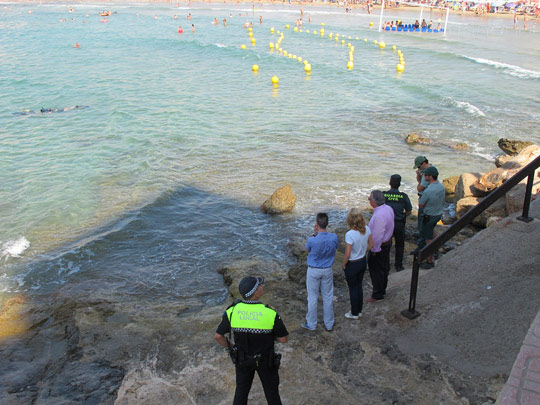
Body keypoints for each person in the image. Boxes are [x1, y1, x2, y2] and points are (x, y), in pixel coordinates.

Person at [215, 276, 288, 405]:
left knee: (241, 392)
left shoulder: (232, 311)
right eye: (260, 285)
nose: (262, 287)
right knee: (272, 394)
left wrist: (230, 347)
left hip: (242, 360)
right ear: (256, 292)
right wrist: (271, 336)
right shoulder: (270, 313)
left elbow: (218, 336)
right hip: (266, 361)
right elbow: (283, 339)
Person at [302, 213, 338, 331]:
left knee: (312, 297)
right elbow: (335, 248)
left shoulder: (312, 240)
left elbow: (307, 251)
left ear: (316, 224)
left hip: (313, 270)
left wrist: (314, 234)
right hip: (327, 269)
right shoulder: (334, 237)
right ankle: (329, 324)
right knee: (328, 296)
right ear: (327, 223)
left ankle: (311, 324)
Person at [342, 208, 373, 319]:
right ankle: (359, 310)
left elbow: (347, 253)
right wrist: (364, 251)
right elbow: (371, 245)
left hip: (353, 264)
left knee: (353, 289)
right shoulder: (367, 229)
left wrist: (344, 264)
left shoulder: (349, 234)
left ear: (350, 220)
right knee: (359, 286)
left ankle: (354, 313)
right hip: (362, 261)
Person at [366, 190, 394, 303]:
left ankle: (377, 294)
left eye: (369, 198)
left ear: (374, 201)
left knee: (376, 271)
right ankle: (382, 290)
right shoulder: (388, 208)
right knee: (384, 268)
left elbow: (377, 236)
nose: (368, 199)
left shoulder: (378, 216)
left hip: (380, 247)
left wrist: (374, 250)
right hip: (387, 242)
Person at [418, 166, 445, 269]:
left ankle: (429, 261)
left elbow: (421, 205)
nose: (424, 176)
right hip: (438, 214)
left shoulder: (428, 191)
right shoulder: (441, 186)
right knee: (432, 231)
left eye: (426, 175)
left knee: (427, 238)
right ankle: (437, 246)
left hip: (429, 216)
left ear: (430, 176)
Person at [384, 175, 412, 272]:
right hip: (399, 223)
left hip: (387, 224)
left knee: (386, 245)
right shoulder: (403, 196)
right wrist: (403, 216)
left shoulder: (384, 195)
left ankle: (386, 266)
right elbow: (409, 211)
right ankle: (398, 265)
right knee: (400, 245)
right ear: (399, 184)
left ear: (390, 183)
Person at [413, 155, 432, 248]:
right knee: (422, 219)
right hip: (426, 197)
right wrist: (418, 175)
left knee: (422, 219)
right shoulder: (429, 169)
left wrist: (419, 183)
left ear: (424, 163)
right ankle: (422, 234)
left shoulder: (427, 173)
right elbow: (419, 181)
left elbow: (420, 188)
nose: (418, 168)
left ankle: (421, 244)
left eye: (419, 166)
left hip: (425, 198)